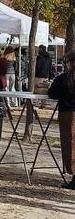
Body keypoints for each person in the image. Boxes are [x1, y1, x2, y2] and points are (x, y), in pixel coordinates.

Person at [48, 51, 75, 189]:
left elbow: (52, 93)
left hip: (68, 115)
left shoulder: (64, 79)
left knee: (70, 145)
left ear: (69, 63)